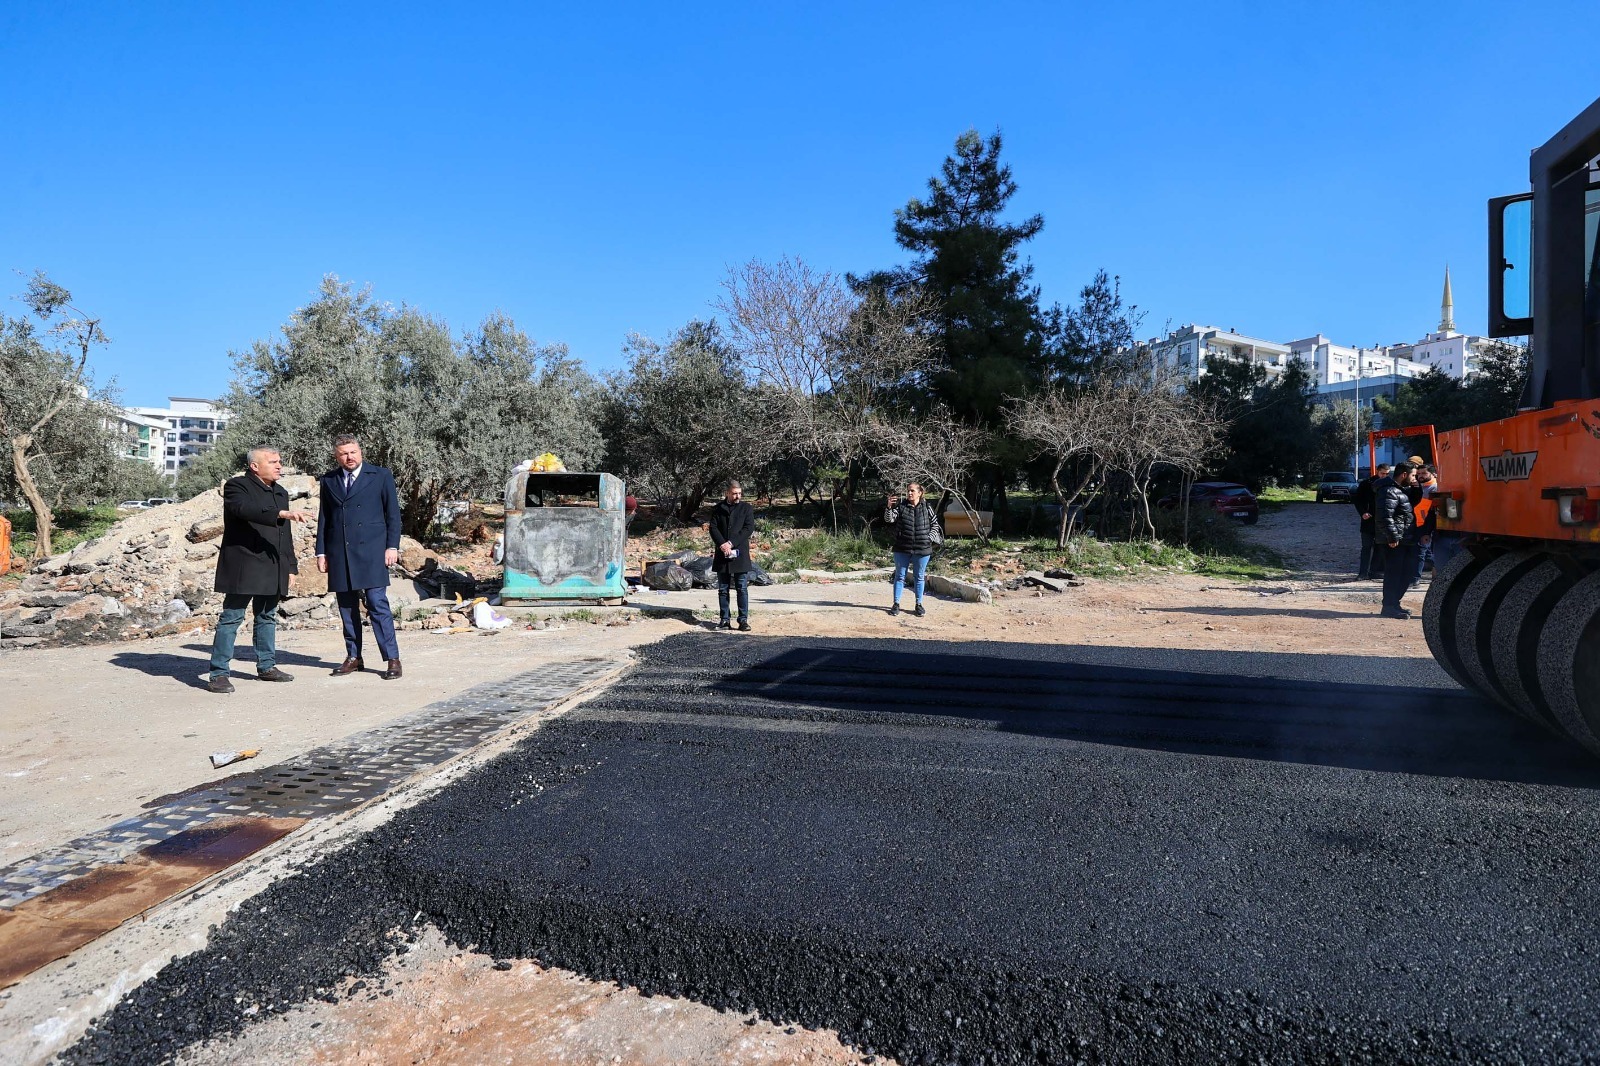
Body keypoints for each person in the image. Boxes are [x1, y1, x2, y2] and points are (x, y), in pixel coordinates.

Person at [208, 446, 310, 693]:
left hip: (274, 564)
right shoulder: (237, 486)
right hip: (244, 564)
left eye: (280, 461)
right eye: (273, 462)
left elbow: (284, 535)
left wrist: (291, 567)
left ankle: (267, 666)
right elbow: (243, 510)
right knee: (232, 617)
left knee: (267, 616)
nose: (279, 466)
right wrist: (281, 513)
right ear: (255, 466)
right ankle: (218, 673)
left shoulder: (281, 492)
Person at [316, 435, 403, 679]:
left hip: (373, 551)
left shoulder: (380, 476)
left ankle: (392, 659)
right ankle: (354, 657)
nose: (349, 457)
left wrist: (392, 547)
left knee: (377, 604)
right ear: (337, 456)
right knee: (346, 607)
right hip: (339, 551)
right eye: (344, 453)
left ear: (360, 451)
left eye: (353, 452)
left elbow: (393, 515)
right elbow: (325, 518)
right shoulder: (329, 480)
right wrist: (321, 551)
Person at [885, 483, 939, 617]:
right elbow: (889, 519)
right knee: (899, 576)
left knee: (919, 577)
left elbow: (935, 525)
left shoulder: (927, 507)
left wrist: (929, 539)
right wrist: (889, 507)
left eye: (912, 491)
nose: (909, 493)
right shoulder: (901, 506)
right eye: (908, 491)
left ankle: (919, 605)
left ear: (920, 493)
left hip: (922, 549)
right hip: (902, 548)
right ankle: (896, 604)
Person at [709, 480, 755, 631]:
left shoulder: (746, 508)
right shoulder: (718, 509)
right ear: (727, 493)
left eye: (740, 493)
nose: (737, 496)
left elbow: (748, 528)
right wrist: (722, 544)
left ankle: (743, 620)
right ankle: (724, 619)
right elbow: (713, 527)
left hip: (739, 553)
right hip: (723, 554)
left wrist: (731, 543)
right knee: (723, 588)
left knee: (741, 587)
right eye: (734, 493)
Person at [1375, 463, 1419, 619]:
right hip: (1394, 540)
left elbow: (1412, 502)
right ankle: (1389, 606)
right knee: (1394, 574)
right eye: (1413, 476)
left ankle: (1394, 603)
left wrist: (1416, 486)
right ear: (1404, 475)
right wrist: (1392, 537)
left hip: (1404, 539)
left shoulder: (1400, 490)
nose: (1415, 479)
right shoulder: (1389, 491)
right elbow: (1384, 516)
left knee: (1406, 573)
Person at [1352, 463, 1390, 580]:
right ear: (1377, 471)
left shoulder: (1390, 484)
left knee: (1380, 546)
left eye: (1386, 474)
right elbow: (1358, 500)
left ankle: (1375, 571)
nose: (1384, 476)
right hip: (1368, 520)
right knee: (1366, 547)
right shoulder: (1366, 484)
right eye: (1382, 473)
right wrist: (1363, 512)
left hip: (1382, 520)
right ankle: (1363, 572)